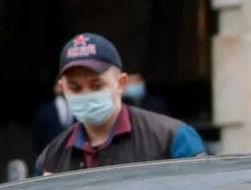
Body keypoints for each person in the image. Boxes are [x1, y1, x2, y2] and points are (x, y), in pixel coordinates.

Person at [34, 33, 204, 174]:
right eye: (76, 88)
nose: (86, 95)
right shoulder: (51, 158)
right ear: (63, 89)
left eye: (97, 86)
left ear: (121, 84)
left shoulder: (172, 138)